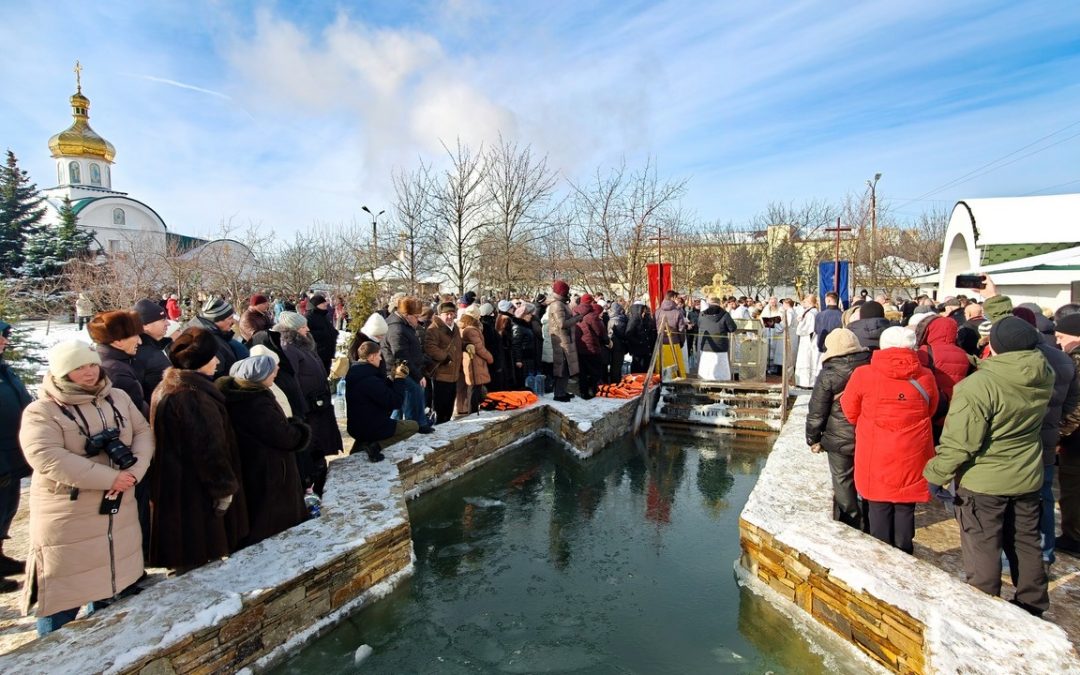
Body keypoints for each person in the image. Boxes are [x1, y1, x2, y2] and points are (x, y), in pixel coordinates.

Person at [19, 339, 153, 635]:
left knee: (110, 582)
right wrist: (109, 478)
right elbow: (46, 456)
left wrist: (134, 471)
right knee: (62, 594)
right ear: (62, 372)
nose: (90, 372)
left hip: (118, 508)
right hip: (69, 516)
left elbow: (143, 431)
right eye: (79, 367)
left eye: (92, 364)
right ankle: (49, 656)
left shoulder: (116, 397)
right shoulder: (43, 410)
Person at [924, 317, 1052, 616]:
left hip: (984, 481)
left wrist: (935, 474)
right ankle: (1032, 605)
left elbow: (961, 443)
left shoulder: (979, 386)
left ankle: (984, 612)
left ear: (993, 345)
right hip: (1028, 475)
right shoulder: (1042, 373)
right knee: (1026, 542)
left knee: (982, 545)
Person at [148, 328, 248, 570]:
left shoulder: (169, 387)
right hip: (194, 495)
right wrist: (224, 490)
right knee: (198, 561)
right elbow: (209, 449)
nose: (217, 361)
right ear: (199, 361)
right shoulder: (193, 397)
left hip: (177, 490)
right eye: (211, 357)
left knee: (187, 557)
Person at [842, 326, 937, 554]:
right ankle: (904, 551)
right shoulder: (925, 375)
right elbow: (931, 408)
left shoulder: (864, 374)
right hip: (913, 450)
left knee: (878, 503)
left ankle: (881, 556)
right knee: (905, 504)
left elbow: (849, 410)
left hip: (876, 450)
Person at [217, 356, 310, 546]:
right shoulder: (256, 402)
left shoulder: (243, 396)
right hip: (270, 471)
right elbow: (282, 436)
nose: (276, 373)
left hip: (258, 466)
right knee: (271, 523)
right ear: (260, 375)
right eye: (272, 370)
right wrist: (298, 429)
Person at [806, 328, 870, 530]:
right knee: (868, 476)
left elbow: (817, 410)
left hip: (838, 436)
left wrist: (813, 439)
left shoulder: (829, 373)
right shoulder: (870, 365)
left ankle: (852, 519)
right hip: (868, 433)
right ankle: (872, 518)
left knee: (843, 478)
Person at [280, 316, 343, 496]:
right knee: (313, 448)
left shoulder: (304, 346)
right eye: (302, 327)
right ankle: (312, 488)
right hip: (310, 410)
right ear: (293, 330)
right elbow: (293, 381)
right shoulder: (290, 349)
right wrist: (305, 404)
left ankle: (320, 482)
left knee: (319, 449)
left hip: (319, 407)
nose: (307, 328)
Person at [346, 341, 419, 461]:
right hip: (372, 427)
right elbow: (395, 402)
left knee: (367, 432)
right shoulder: (369, 379)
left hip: (357, 427)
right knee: (413, 426)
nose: (380, 359)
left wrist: (393, 377)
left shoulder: (356, 372)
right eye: (379, 355)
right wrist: (400, 379)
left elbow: (381, 392)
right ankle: (375, 446)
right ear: (371, 357)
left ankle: (361, 446)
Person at [0, 320, 32, 591]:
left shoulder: (4, 369)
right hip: (1, 458)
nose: (4, 341)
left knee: (7, 508)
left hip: (13, 455)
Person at [382, 297, 434, 433]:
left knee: (399, 403)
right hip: (398, 370)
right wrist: (418, 376)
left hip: (406, 368)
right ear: (407, 315)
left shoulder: (404, 325)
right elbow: (401, 356)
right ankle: (414, 425)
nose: (418, 320)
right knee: (413, 392)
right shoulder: (396, 329)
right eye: (416, 317)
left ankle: (397, 427)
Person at [88, 310, 148, 421]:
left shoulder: (104, 361)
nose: (140, 342)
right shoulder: (117, 373)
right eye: (135, 335)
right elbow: (135, 416)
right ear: (118, 341)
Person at [1054, 313, 1080, 556]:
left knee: (1073, 489)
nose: (1059, 343)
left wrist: (1058, 435)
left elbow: (1076, 409)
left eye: (1062, 337)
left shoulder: (1076, 360)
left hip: (1076, 442)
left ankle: (1074, 537)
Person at [423, 302, 463, 424]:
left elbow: (457, 344)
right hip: (441, 373)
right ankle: (439, 429)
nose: (450, 317)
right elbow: (430, 347)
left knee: (450, 405)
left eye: (452, 314)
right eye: (447, 314)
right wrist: (445, 357)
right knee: (440, 406)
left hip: (454, 373)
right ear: (440, 315)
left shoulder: (455, 327)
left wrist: (467, 346)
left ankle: (447, 426)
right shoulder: (433, 328)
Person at [132, 299, 175, 410]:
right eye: (163, 320)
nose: (168, 323)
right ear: (145, 325)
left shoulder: (160, 347)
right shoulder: (140, 354)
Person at [546, 280, 582, 402]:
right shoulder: (557, 305)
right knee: (561, 367)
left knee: (566, 367)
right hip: (561, 340)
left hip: (565, 339)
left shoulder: (561, 303)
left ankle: (562, 391)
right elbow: (562, 324)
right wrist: (577, 318)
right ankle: (558, 394)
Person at [187, 297, 240, 379]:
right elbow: (216, 374)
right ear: (216, 320)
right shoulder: (207, 341)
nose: (233, 322)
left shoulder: (216, 335)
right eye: (230, 318)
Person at [457, 313, 494, 413]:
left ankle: (469, 410)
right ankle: (472, 412)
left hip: (472, 360)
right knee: (474, 388)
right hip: (474, 362)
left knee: (473, 388)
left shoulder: (465, 328)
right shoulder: (471, 330)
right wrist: (489, 357)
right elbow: (479, 348)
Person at [696, 297, 738, 381]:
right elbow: (732, 328)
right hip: (720, 346)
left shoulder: (702, 314)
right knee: (721, 371)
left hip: (706, 346)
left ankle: (705, 385)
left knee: (706, 371)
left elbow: (699, 325)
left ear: (709, 303)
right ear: (719, 303)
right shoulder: (725, 314)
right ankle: (722, 384)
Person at [573, 294, 606, 399]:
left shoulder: (574, 312)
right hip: (591, 347)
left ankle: (584, 392)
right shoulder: (591, 315)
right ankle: (595, 391)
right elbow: (599, 332)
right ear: (589, 302)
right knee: (595, 371)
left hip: (578, 346)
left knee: (582, 372)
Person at [305, 294, 339, 373]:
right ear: (316, 304)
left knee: (326, 373)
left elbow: (329, 328)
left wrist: (334, 332)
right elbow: (306, 333)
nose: (325, 304)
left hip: (328, 352)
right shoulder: (309, 316)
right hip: (318, 352)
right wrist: (324, 334)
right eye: (322, 303)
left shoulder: (324, 315)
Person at [625, 300, 657, 373]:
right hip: (638, 349)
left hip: (646, 348)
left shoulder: (646, 319)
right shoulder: (634, 320)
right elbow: (628, 334)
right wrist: (639, 342)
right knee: (637, 367)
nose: (644, 312)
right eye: (643, 311)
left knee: (646, 366)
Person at [794, 294, 820, 387]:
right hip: (810, 339)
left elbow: (808, 328)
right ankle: (807, 382)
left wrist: (799, 325)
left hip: (808, 339)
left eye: (805, 301)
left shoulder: (810, 313)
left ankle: (806, 382)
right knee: (810, 359)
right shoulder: (813, 311)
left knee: (807, 359)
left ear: (809, 302)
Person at [511, 304, 538, 390]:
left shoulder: (526, 325)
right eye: (529, 314)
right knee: (522, 379)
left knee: (527, 378)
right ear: (523, 315)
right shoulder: (518, 327)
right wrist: (518, 360)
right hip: (523, 358)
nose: (531, 315)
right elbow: (516, 344)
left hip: (528, 356)